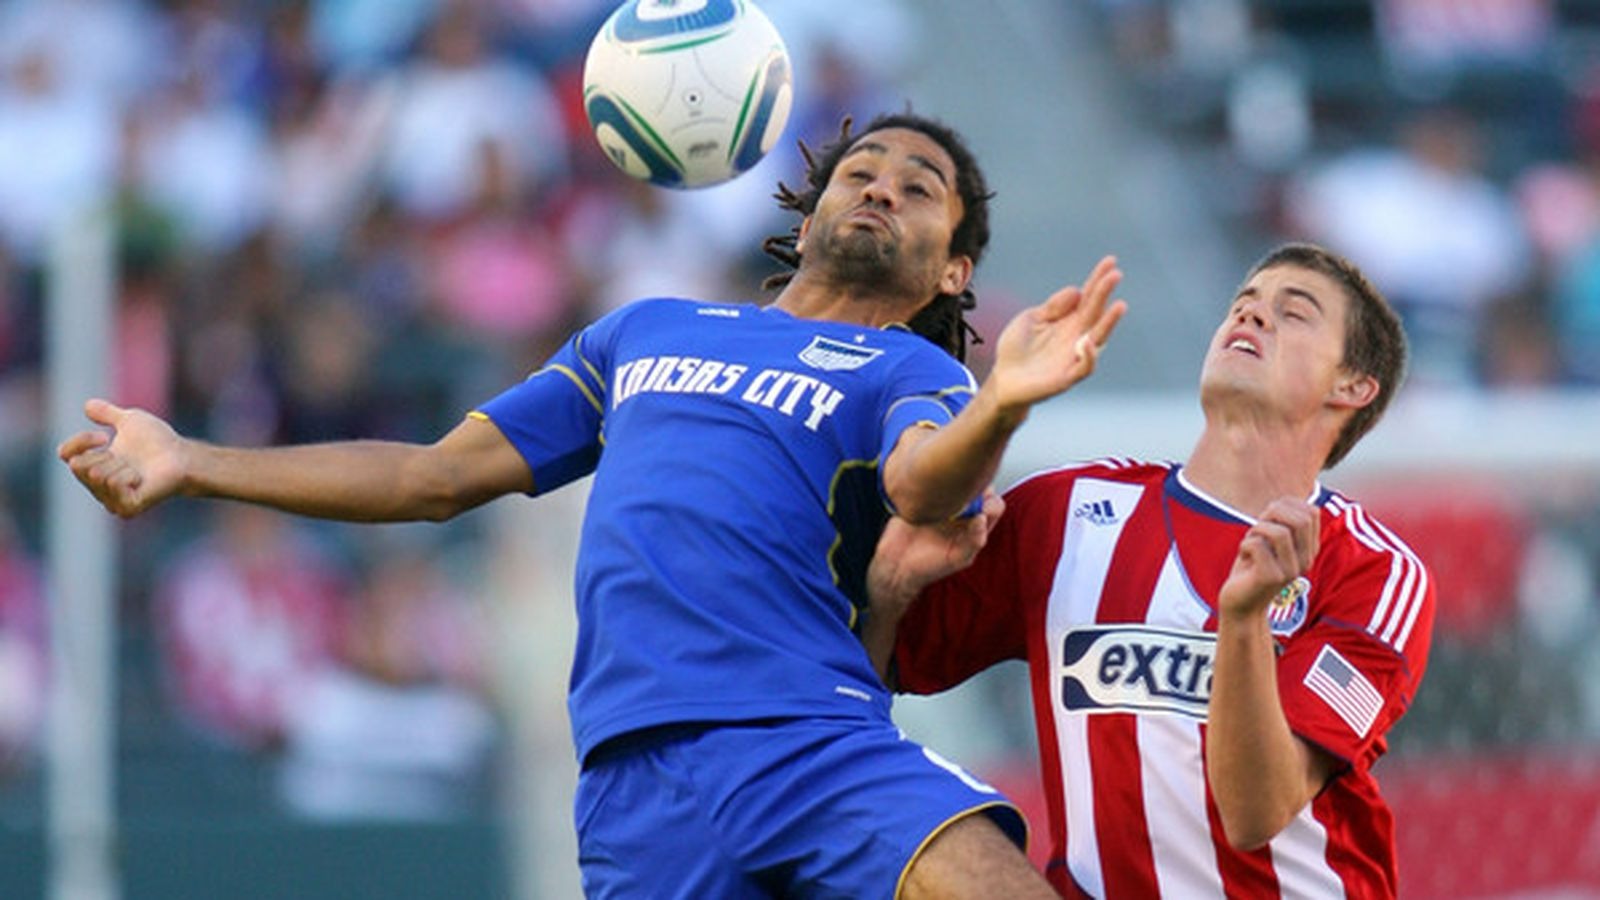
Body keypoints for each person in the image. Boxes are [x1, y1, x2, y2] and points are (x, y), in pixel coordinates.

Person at [58, 112, 1126, 899]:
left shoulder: (904, 372)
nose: (882, 187)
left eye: (920, 186)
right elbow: (431, 479)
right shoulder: (647, 331)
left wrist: (1001, 406)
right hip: (631, 778)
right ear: (803, 223)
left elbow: (920, 484)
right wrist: (196, 459)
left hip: (805, 737)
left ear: (953, 268)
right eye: (861, 169)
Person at [866, 243, 1436, 898]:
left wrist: (1244, 619)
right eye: (1243, 305)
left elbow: (1255, 812)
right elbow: (885, 661)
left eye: (1294, 312)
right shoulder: (1067, 512)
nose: (1251, 318)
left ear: (1352, 384)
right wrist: (890, 584)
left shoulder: (1376, 570)